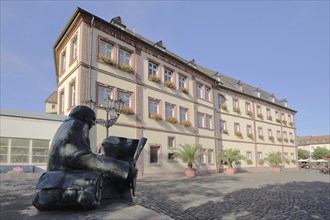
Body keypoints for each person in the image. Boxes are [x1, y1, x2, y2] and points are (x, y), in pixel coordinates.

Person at [47, 105, 136, 190]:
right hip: (63, 180)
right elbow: (81, 157)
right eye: (93, 119)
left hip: (55, 177)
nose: (94, 123)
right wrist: (124, 169)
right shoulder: (78, 124)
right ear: (86, 118)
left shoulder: (66, 125)